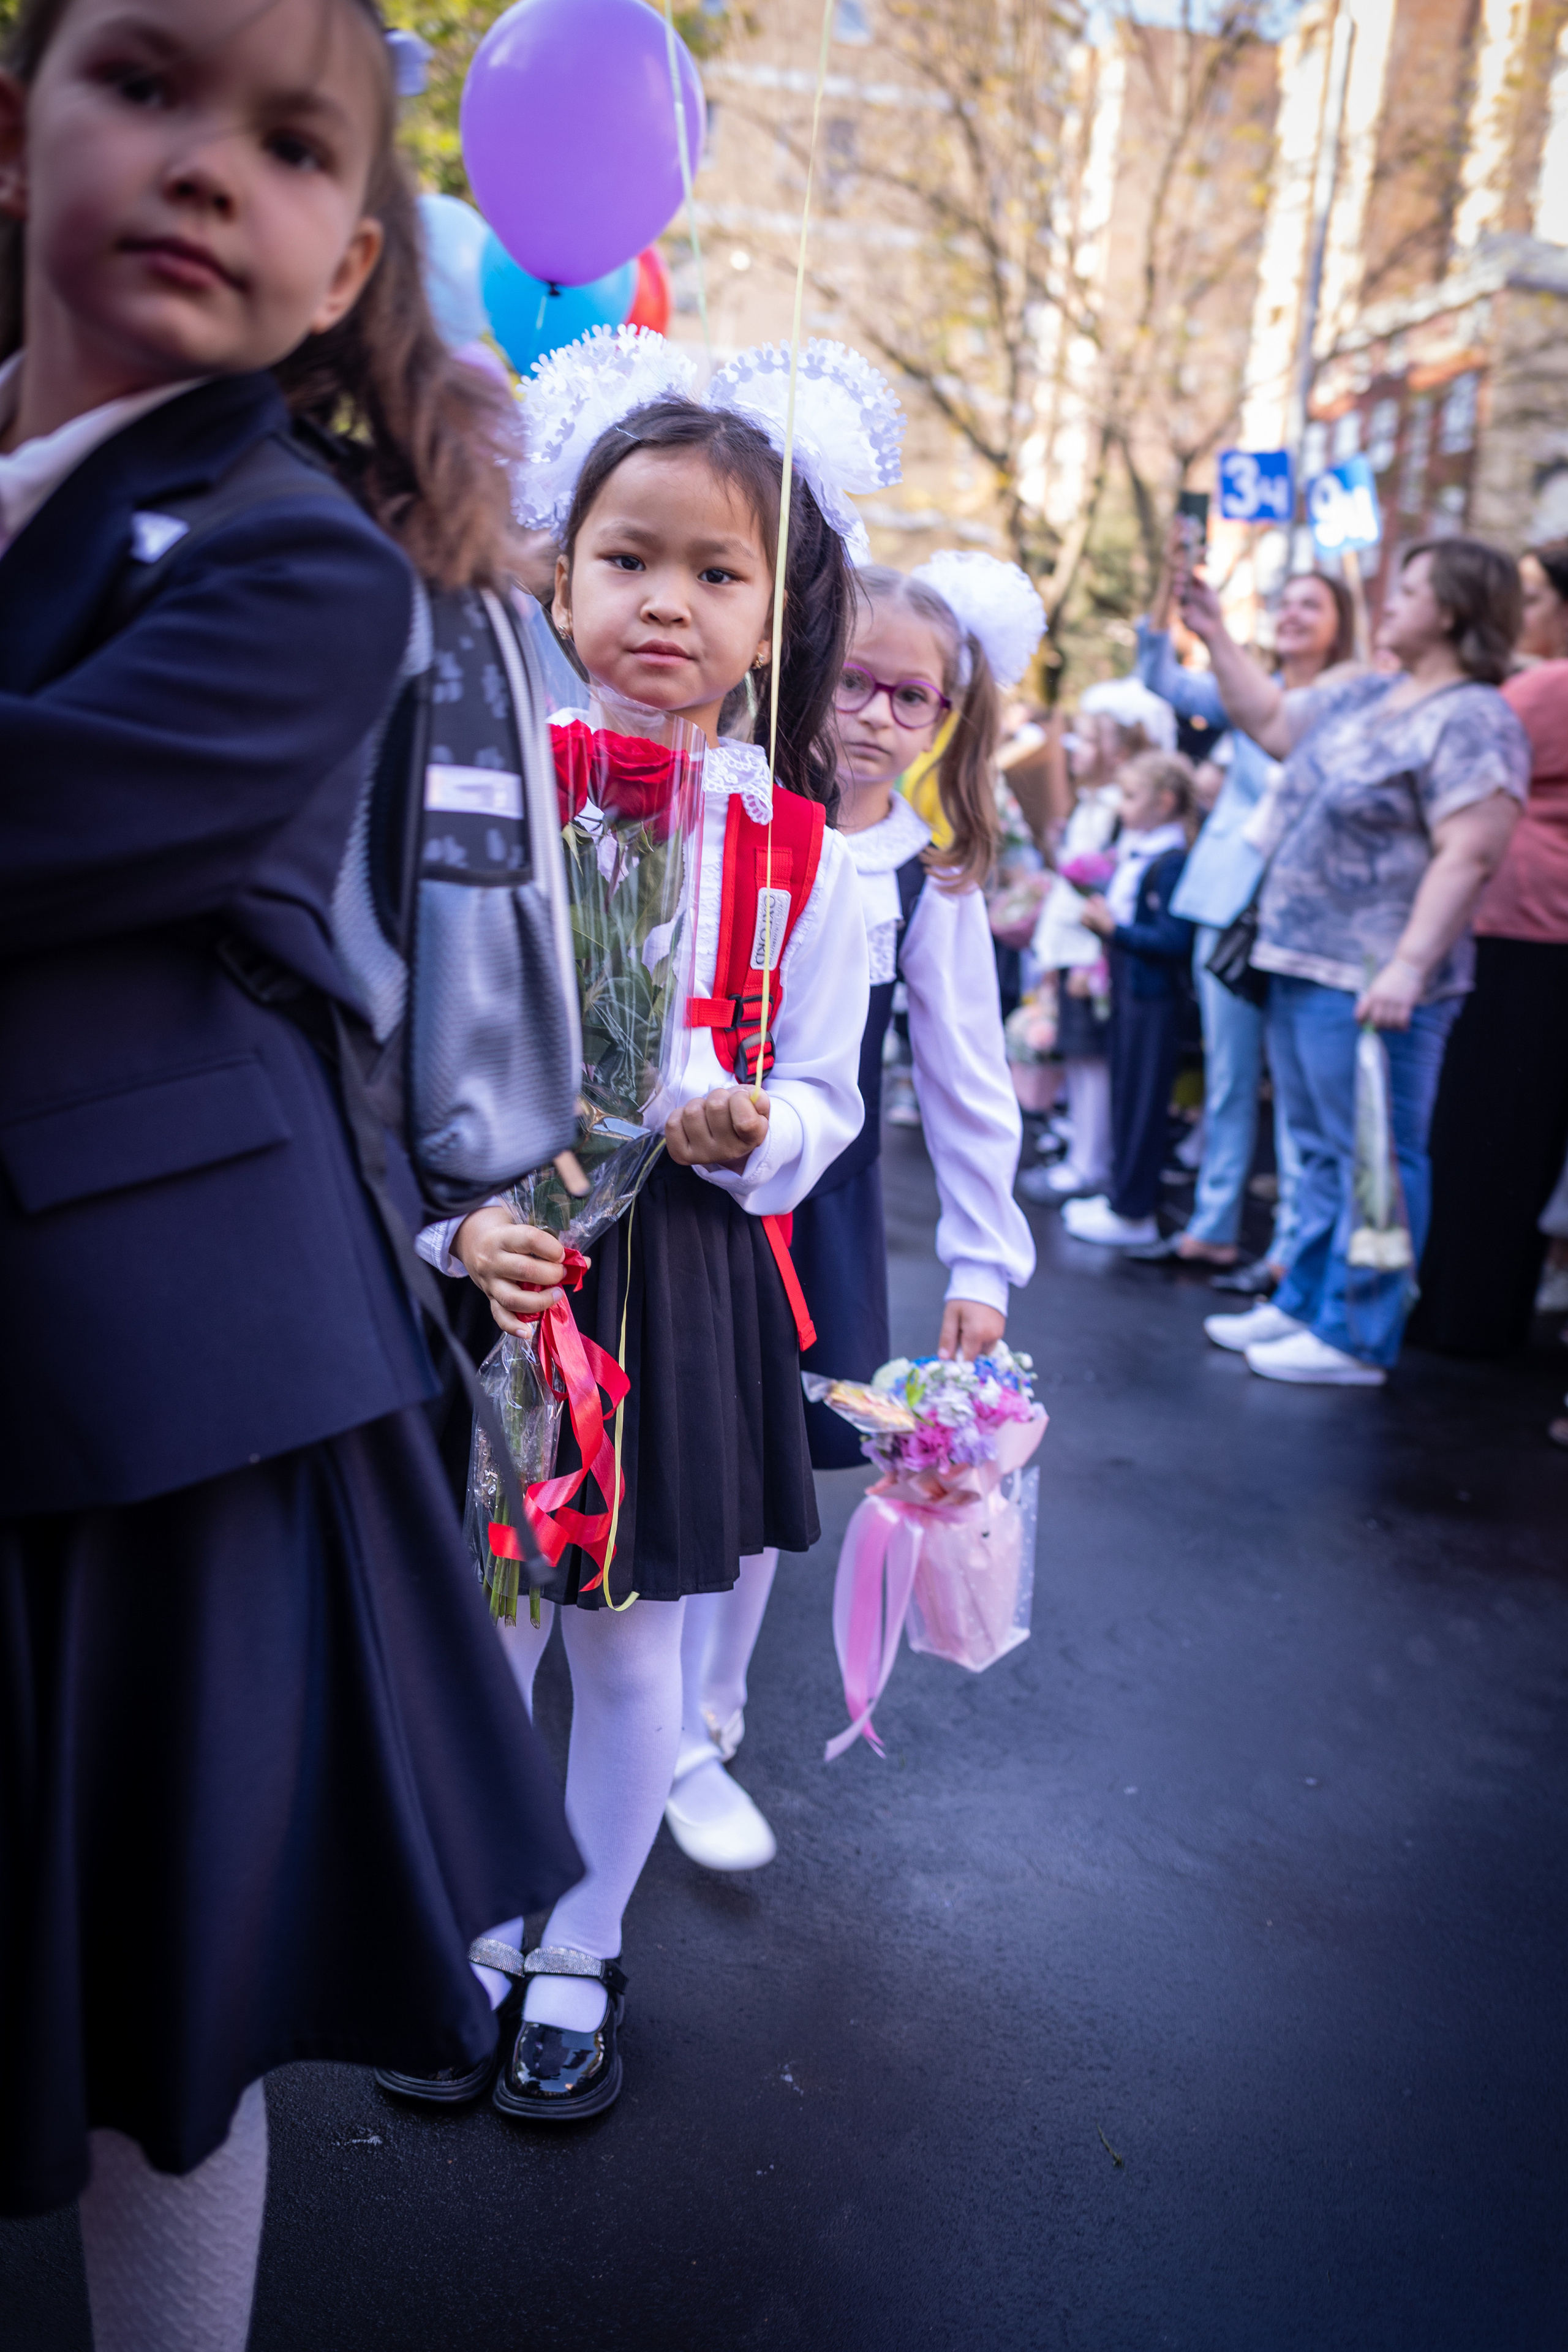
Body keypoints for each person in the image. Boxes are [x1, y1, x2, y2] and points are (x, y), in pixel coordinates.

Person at [0, 0, 579, 2339]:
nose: (205, 163)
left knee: (164, 2000)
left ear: (348, 259)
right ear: (16, 122)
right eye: (140, 81)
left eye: (288, 140)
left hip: (161, 1390)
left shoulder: (300, 564)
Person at [407, 334, 880, 2120]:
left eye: (715, 569)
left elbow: (823, 1089)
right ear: (555, 563)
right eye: (628, 557)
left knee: (625, 1646)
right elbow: (398, 1030)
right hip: (501, 1246)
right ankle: (459, 1923)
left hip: (669, 1270)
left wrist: (759, 1123)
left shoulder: (804, 852)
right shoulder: (481, 782)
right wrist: (458, 1225)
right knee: (481, 1626)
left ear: (773, 607)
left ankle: (581, 1939)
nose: (665, 601)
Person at [666, 549, 1041, 1871]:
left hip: (807, 1213)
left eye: (913, 699)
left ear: (949, 720)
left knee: (765, 1469)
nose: (877, 716)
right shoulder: (727, 809)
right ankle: (612, 1684)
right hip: (669, 1179)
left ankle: (702, 1722)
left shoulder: (926, 875)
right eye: (856, 683)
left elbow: (965, 1078)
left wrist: (982, 1257)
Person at [1182, 540, 1530, 1386]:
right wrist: (1215, 633)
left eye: (1410, 588)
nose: (1394, 601)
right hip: (1303, 958)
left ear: (1450, 608)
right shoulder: (1369, 695)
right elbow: (1269, 723)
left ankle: (1357, 1333)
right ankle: (1303, 1302)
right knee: (1320, 1146)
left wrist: (1408, 964)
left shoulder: (1474, 716)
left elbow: (1469, 852)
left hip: (1375, 975)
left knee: (1376, 1149)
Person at [1137, 535, 1355, 1286]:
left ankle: (1292, 1249)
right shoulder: (1245, 688)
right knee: (1230, 1079)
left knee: (1297, 1095)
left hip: (1304, 915)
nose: (1293, 613)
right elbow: (1159, 675)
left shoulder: (1354, 700)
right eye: (1286, 600)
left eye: (1311, 604)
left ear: (1341, 621)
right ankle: (1212, 1228)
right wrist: (1169, 595)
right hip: (1228, 906)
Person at [1409, 541, 1568, 1354]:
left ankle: (1458, 1316)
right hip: (1539, 933)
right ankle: (1486, 1313)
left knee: (1484, 1133)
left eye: (1537, 600)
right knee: (1519, 1139)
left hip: (1521, 931)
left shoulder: (1541, 689)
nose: (1525, 614)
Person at [1023, 677, 1175, 1202]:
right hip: (1072, 945)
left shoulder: (1116, 809)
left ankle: (1090, 1160)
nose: (1075, 750)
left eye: (1089, 741)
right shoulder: (1094, 804)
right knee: (1080, 1057)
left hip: (1090, 952)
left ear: (1118, 751)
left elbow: (1105, 879)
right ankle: (1083, 1152)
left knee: (1092, 1061)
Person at [1061, 750, 1198, 1247]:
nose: (1122, 806)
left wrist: (1114, 930)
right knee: (1126, 1093)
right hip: (1131, 992)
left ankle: (1135, 1211)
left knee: (1142, 1100)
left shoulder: (1171, 861)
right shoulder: (1143, 850)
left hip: (1154, 998)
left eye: (1133, 795)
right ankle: (1122, 1195)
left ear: (1165, 802)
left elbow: (1173, 940)